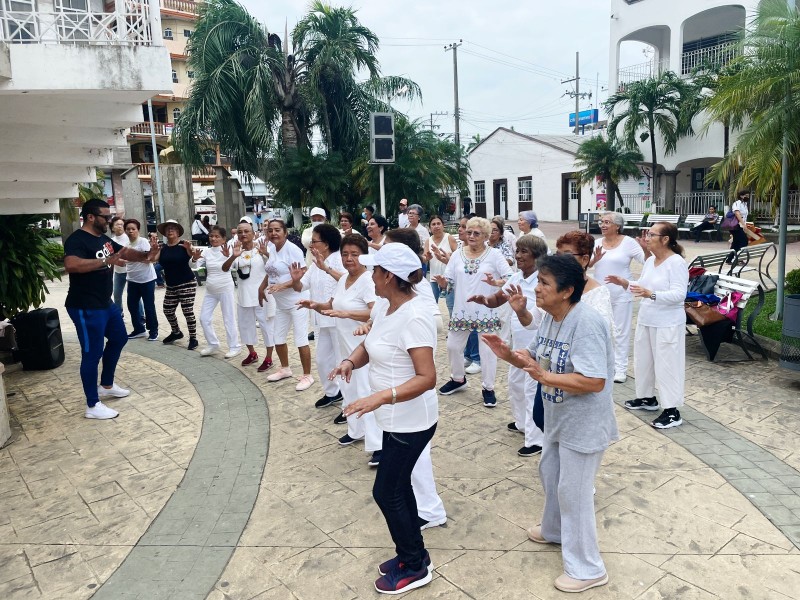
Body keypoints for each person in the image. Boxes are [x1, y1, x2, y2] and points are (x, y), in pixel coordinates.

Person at [482, 254, 617, 594]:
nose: (537, 288)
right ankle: (555, 530)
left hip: (584, 423)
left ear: (568, 290)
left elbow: (595, 381)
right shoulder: (551, 317)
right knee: (551, 474)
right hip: (558, 417)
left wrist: (546, 376)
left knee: (575, 492)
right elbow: (533, 355)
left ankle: (588, 568)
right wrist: (509, 354)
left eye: (544, 283)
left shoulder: (586, 322)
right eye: (538, 281)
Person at [334, 243, 438, 595]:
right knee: (398, 486)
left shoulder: (415, 316)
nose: (370, 275)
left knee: (386, 491)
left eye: (375, 270)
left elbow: (427, 378)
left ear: (389, 277)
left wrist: (380, 396)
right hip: (393, 418)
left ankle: (414, 565)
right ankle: (415, 554)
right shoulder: (384, 306)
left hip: (412, 421)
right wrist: (350, 361)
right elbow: (370, 345)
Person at [63, 199, 159, 419]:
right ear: (90, 217)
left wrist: (147, 255)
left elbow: (124, 252)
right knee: (92, 353)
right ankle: (92, 405)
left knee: (119, 338)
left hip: (105, 303)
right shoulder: (78, 240)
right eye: (105, 216)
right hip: (85, 305)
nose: (109, 220)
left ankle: (106, 385)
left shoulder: (103, 239)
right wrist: (106, 261)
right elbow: (71, 265)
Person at [467, 235, 549, 456]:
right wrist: (483, 300)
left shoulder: (543, 279)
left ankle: (536, 439)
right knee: (515, 384)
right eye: (518, 250)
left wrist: (522, 310)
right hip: (518, 343)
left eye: (524, 252)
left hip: (536, 342)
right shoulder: (516, 277)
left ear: (537, 256)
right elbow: (497, 299)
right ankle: (522, 424)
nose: (518, 255)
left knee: (532, 389)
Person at [303, 235, 381, 459]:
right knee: (348, 389)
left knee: (365, 391)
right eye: (345, 254)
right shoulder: (344, 278)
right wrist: (315, 305)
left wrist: (347, 313)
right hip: (342, 345)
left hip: (362, 347)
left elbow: (375, 311)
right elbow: (332, 305)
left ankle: (377, 444)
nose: (349, 259)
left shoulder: (367, 280)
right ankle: (356, 430)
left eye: (354, 254)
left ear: (364, 256)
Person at [606, 222, 689, 429]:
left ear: (665, 239)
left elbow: (680, 295)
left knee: (667, 366)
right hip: (647, 318)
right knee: (644, 361)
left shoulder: (676, 262)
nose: (647, 237)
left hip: (667, 322)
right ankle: (647, 398)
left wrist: (651, 294)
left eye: (651, 234)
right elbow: (642, 286)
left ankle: (672, 411)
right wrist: (625, 283)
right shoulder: (651, 261)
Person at [433, 217, 513, 407]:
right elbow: (450, 281)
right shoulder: (457, 254)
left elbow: (510, 276)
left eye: (476, 233)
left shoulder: (494, 255)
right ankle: (458, 379)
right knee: (453, 346)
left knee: (487, 352)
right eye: (469, 232)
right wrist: (444, 283)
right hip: (462, 311)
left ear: (486, 236)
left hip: (486, 310)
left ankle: (488, 388)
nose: (471, 236)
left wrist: (496, 283)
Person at [258, 219, 315, 391]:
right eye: (270, 230)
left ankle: (307, 376)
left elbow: (303, 274)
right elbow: (272, 271)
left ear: (285, 232)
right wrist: (262, 288)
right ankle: (285, 369)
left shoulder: (293, 250)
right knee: (278, 338)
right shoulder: (272, 249)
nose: (273, 233)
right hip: (281, 303)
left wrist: (282, 286)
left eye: (277, 230)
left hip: (297, 301)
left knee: (300, 339)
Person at [589, 212, 645, 383]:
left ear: (617, 226)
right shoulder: (597, 243)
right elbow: (586, 265)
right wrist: (594, 260)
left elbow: (647, 261)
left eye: (607, 222)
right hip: (600, 295)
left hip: (621, 294)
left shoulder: (628, 243)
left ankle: (620, 369)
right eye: (601, 222)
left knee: (621, 332)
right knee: (600, 331)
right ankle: (604, 366)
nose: (603, 225)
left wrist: (647, 248)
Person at [294, 224, 344, 408]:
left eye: (315, 241)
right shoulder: (315, 262)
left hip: (339, 318)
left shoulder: (339, 260)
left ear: (327, 243)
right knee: (322, 360)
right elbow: (301, 287)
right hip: (321, 319)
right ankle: (333, 393)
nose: (311, 245)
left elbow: (349, 282)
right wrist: (295, 279)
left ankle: (349, 401)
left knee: (342, 362)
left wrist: (327, 269)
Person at [223, 221, 273, 368]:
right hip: (244, 295)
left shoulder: (261, 248)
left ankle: (269, 357)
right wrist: (233, 256)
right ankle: (252, 353)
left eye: (246, 231)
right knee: (245, 326)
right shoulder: (236, 250)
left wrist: (266, 254)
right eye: (240, 232)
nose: (243, 234)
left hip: (262, 295)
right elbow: (225, 268)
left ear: (253, 233)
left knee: (266, 326)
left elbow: (274, 266)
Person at [197, 225, 242, 359]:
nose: (213, 238)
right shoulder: (206, 252)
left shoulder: (228, 250)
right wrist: (193, 258)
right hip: (210, 290)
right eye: (211, 236)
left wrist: (231, 257)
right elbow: (195, 265)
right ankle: (213, 344)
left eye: (217, 236)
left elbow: (230, 267)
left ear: (223, 239)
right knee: (204, 318)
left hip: (225, 288)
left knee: (229, 318)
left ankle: (235, 346)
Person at [155, 219, 199, 350]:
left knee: (187, 310)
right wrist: (153, 250)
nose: (170, 230)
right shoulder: (162, 247)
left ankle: (193, 338)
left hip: (187, 282)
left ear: (178, 232)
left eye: (173, 228)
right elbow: (152, 260)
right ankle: (176, 332)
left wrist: (192, 252)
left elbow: (193, 260)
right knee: (168, 309)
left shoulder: (184, 245)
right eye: (168, 229)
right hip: (172, 284)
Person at [123, 219, 158, 342]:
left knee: (149, 306)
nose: (130, 231)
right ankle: (139, 329)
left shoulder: (142, 242)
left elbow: (149, 259)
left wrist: (132, 259)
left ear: (138, 230)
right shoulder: (126, 245)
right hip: (132, 279)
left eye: (133, 229)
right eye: (128, 229)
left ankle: (153, 331)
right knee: (132, 306)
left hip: (147, 279)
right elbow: (124, 261)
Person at [424, 214, 457, 302]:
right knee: (432, 303)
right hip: (434, 277)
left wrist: (446, 255)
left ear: (443, 225)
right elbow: (424, 258)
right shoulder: (428, 241)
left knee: (450, 304)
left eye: (439, 224)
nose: (436, 226)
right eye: (433, 224)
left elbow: (458, 257)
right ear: (430, 228)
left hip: (449, 278)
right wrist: (427, 257)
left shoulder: (449, 238)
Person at [108, 217, 130, 313]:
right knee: (117, 294)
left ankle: (141, 316)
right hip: (118, 272)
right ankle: (119, 314)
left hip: (130, 272)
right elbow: (110, 256)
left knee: (134, 295)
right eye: (117, 224)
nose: (120, 226)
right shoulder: (110, 241)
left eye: (122, 224)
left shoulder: (129, 239)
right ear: (112, 228)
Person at [728, 190, 756, 261]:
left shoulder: (745, 205)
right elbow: (737, 214)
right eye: (746, 196)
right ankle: (737, 258)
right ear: (741, 196)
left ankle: (730, 259)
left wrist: (745, 224)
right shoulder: (737, 203)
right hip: (735, 226)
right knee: (744, 241)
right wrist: (744, 225)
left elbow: (744, 216)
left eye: (748, 196)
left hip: (740, 225)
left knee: (736, 242)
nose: (747, 197)